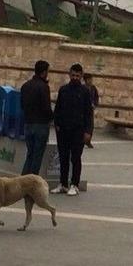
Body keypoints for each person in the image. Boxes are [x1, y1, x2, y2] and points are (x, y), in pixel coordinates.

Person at [52, 64, 93, 196]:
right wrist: (57, 124)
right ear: (69, 75)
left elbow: (88, 113)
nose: (75, 78)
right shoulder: (63, 90)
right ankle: (63, 184)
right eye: (73, 75)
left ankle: (74, 184)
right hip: (63, 130)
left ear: (81, 76)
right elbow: (58, 108)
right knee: (63, 157)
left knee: (76, 158)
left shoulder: (85, 92)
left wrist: (88, 131)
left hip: (78, 130)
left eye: (77, 75)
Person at [20, 60, 54, 176]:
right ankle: (32, 182)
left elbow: (22, 105)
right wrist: (52, 117)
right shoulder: (43, 87)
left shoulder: (25, 86)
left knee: (30, 154)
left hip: (28, 123)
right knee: (37, 156)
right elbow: (46, 107)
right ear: (44, 72)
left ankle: (23, 180)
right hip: (41, 125)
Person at [84, 73, 100, 149]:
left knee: (91, 126)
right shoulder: (82, 88)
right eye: (89, 79)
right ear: (86, 80)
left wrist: (95, 104)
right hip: (84, 111)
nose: (91, 81)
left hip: (91, 110)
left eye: (91, 79)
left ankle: (88, 141)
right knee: (84, 125)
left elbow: (96, 97)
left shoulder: (93, 88)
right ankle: (83, 140)